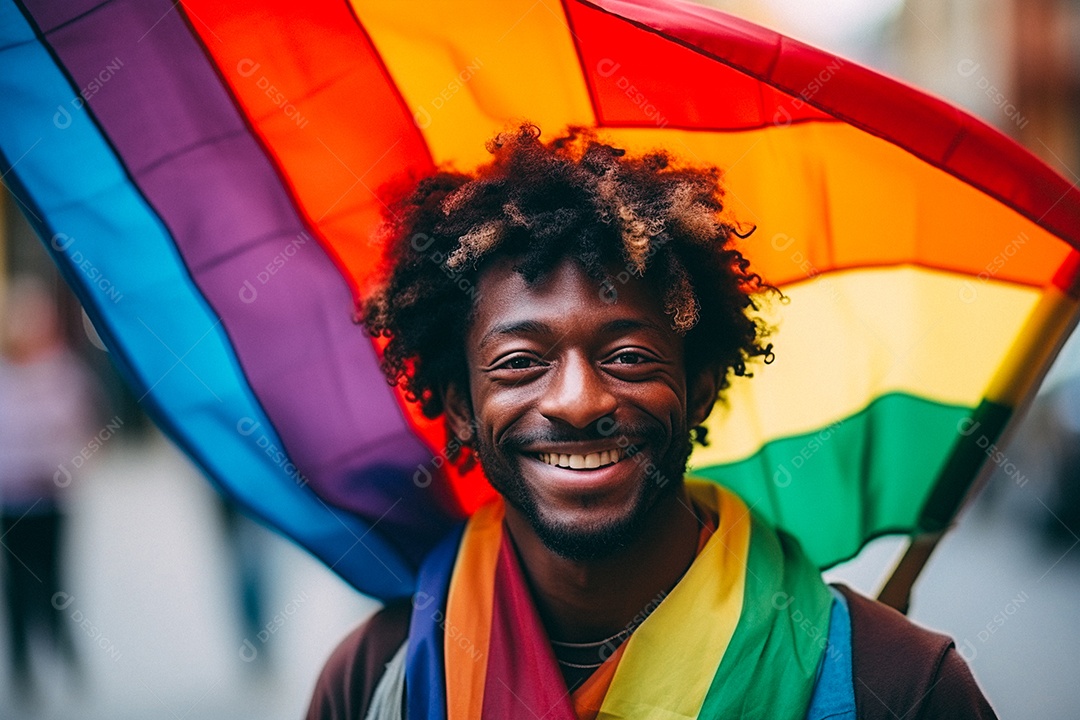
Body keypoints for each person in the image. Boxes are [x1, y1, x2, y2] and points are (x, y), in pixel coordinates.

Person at [307, 125, 997, 719]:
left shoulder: (902, 686)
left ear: (700, 389)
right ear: (461, 406)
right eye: (519, 362)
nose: (578, 402)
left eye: (628, 357)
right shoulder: (374, 680)